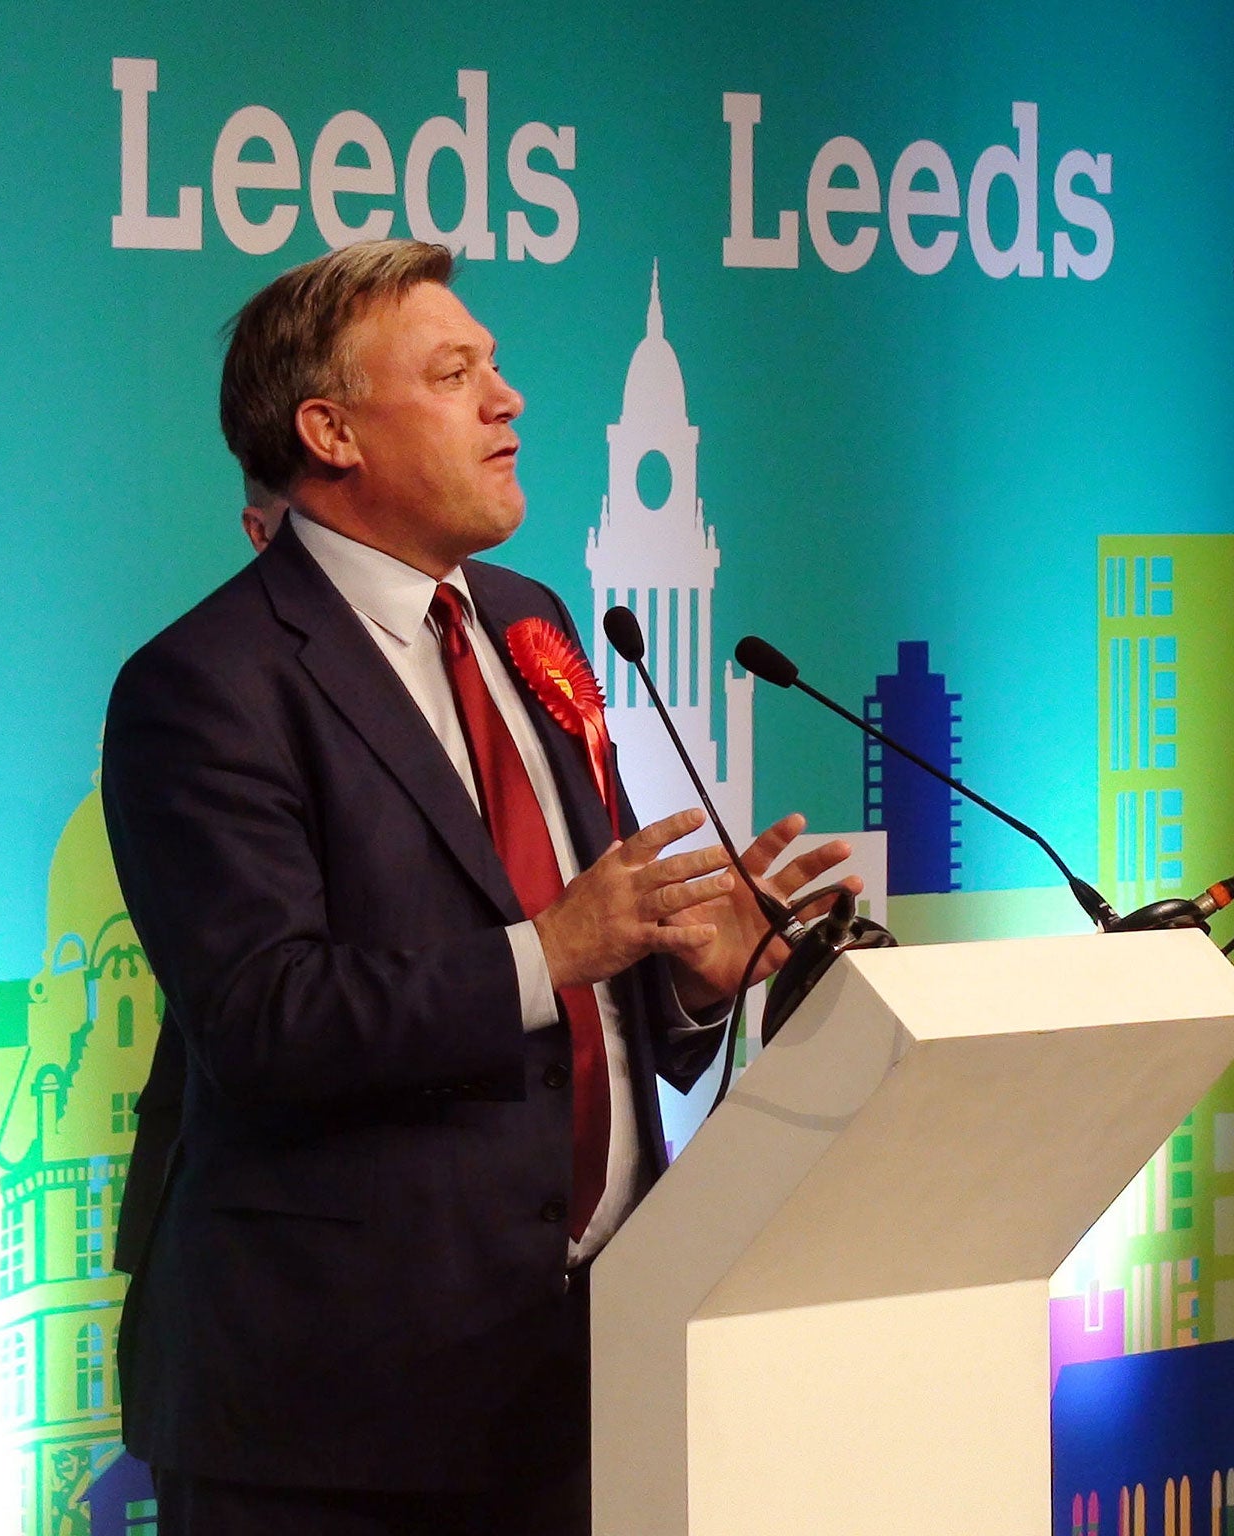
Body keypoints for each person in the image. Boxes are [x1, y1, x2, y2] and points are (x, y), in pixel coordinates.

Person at [102, 238, 853, 1536]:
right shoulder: (209, 685)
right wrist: (545, 951)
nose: (509, 401)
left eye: (495, 368)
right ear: (330, 431)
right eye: (456, 374)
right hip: (339, 1424)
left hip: (580, 1375)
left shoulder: (528, 619)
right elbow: (265, 1020)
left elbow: (597, 964)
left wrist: (689, 978)